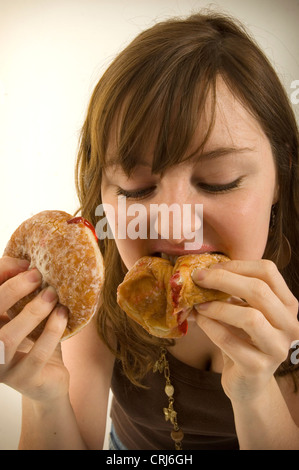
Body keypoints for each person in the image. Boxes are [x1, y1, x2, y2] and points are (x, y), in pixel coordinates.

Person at [0, 11, 299, 450]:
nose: (176, 225)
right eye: (136, 189)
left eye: (219, 180)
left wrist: (255, 390)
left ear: (283, 173)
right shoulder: (92, 278)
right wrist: (44, 396)